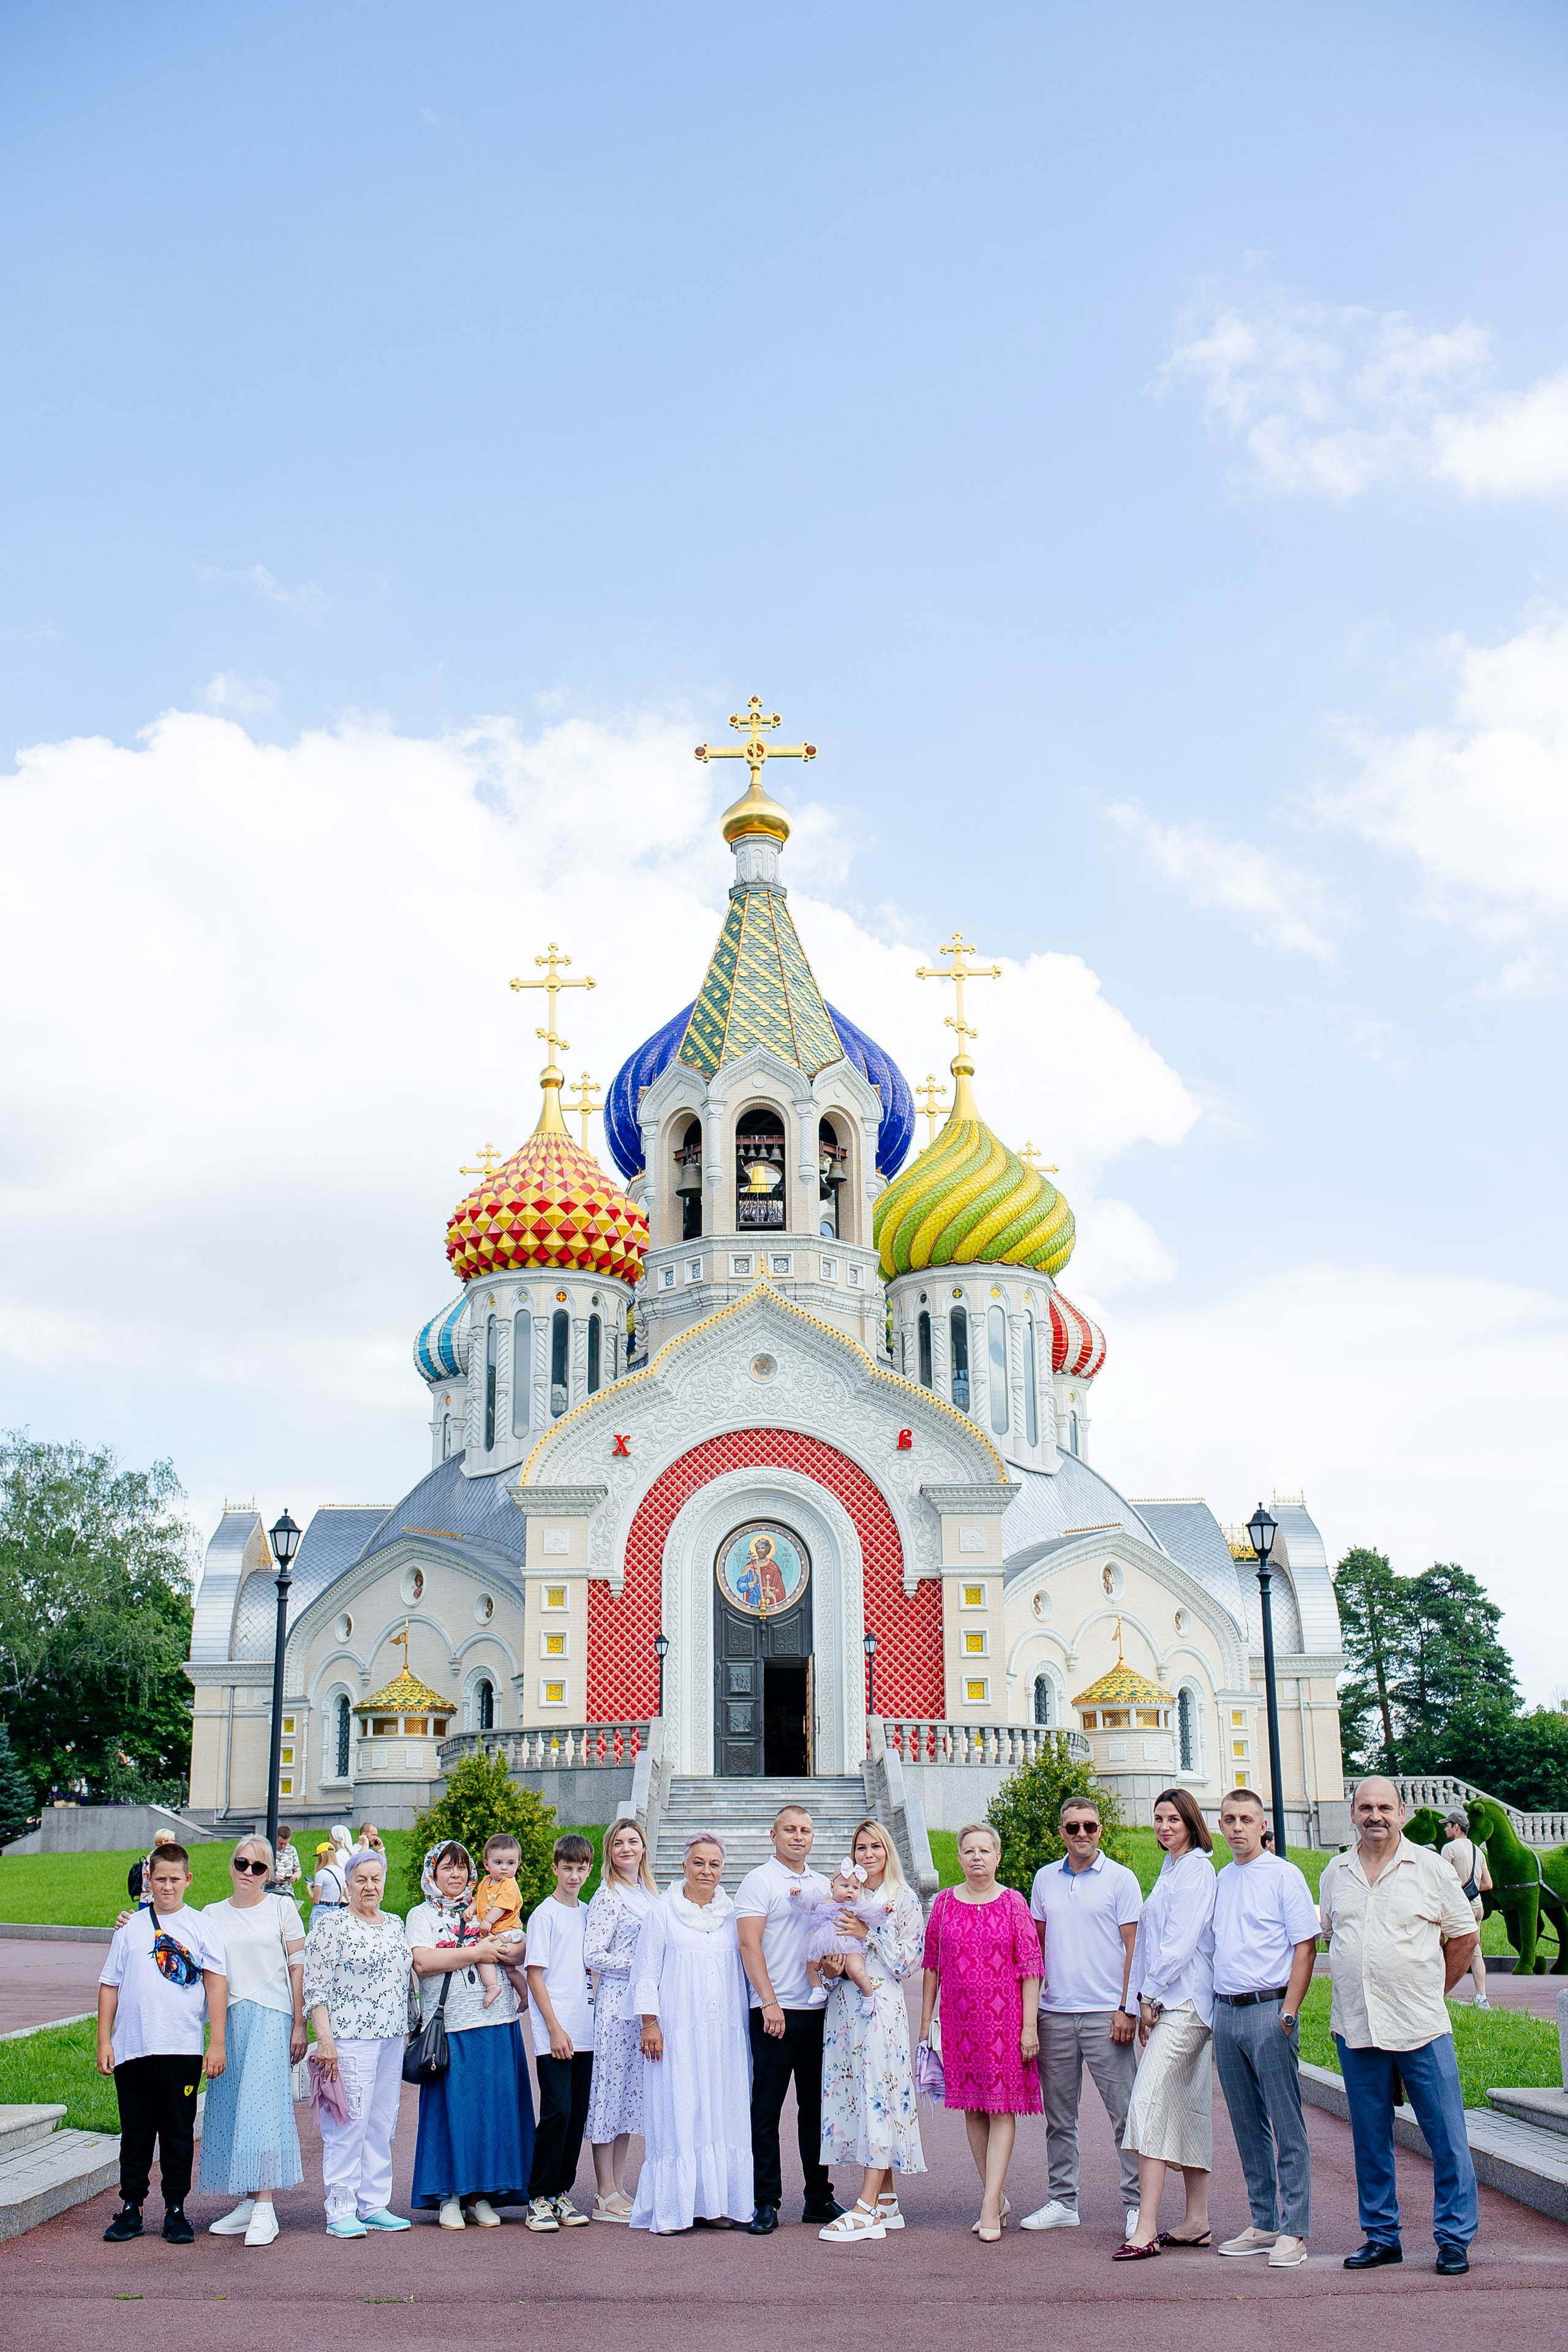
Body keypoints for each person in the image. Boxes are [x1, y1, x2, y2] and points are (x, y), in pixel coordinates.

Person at [1319, 1776, 1480, 2276]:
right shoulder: (1334, 1872)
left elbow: (1464, 1936)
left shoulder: (1430, 1868)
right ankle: (1382, 2236)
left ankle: (1454, 2239)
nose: (1375, 1816)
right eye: (1366, 1807)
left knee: (1446, 2136)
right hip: (1357, 2027)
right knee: (1370, 2137)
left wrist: (1431, 1992)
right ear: (1352, 1813)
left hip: (1420, 2026)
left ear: (1403, 1812)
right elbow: (1332, 1936)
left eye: (1385, 1807)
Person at [1020, 1793, 1143, 2240]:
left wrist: (1127, 2007)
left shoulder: (1121, 1879)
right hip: (1055, 2014)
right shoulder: (1045, 1880)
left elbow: (1135, 1949)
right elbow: (1037, 1947)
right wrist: (1031, 2014)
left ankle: (1136, 2205)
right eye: (1073, 1827)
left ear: (1100, 1830)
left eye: (1090, 1826)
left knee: (1126, 2116)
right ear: (1062, 1833)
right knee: (1059, 2117)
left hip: (1106, 2015)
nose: (1082, 1835)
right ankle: (1063, 2200)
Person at [1207, 1790, 1321, 2268]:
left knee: (1285, 2122)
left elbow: (1306, 1946)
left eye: (1246, 1819)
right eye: (1230, 1819)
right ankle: (1264, 2221)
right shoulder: (1222, 1878)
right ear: (1220, 1823)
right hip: (1227, 2012)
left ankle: (1294, 2230)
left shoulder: (1284, 1874)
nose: (1237, 1828)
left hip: (1270, 2010)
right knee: (1247, 2126)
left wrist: (1289, 2012)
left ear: (1262, 1825)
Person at [96, 1842, 228, 2245]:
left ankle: (175, 2210)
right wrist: (105, 2040)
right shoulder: (130, 1930)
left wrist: (217, 2042)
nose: (167, 1886)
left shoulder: (201, 1926)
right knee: (135, 2132)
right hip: (133, 2048)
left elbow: (216, 1982)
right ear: (148, 1882)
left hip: (182, 2048)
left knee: (176, 2131)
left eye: (175, 1879)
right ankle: (132, 2209)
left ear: (188, 1880)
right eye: (160, 1879)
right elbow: (109, 1985)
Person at [919, 1822, 1042, 2242]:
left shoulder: (1013, 1903)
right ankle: (997, 2195)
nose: (976, 1857)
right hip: (959, 2023)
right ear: (958, 1858)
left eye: (984, 1851)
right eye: (969, 1851)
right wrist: (925, 2024)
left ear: (997, 1856)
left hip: (1006, 2025)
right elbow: (931, 1966)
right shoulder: (943, 1904)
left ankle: (990, 2204)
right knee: (973, 2108)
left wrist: (1028, 2028)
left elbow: (1030, 1969)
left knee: (1001, 2108)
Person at [407, 1839, 537, 2230]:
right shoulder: (421, 1914)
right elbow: (424, 1961)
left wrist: (502, 1949)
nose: (455, 1875)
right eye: (446, 1868)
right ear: (432, 1873)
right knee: (453, 2112)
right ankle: (449, 2194)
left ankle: (481, 2194)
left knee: (492, 2110)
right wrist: (478, 1952)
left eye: (461, 1868)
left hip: (496, 2020)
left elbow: (517, 1950)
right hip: (451, 2027)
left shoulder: (488, 1904)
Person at [629, 1832, 754, 2233]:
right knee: (680, 2112)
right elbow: (645, 1972)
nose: (706, 1870)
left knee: (721, 2112)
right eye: (699, 1862)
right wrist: (650, 2023)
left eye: (714, 1864)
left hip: (724, 2035)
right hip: (677, 2032)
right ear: (684, 1865)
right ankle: (673, 2210)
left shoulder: (733, 1913)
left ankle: (717, 2203)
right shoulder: (663, 1912)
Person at [1115, 1787, 1218, 2260]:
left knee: (1149, 2103)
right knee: (1188, 2106)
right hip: (1170, 2002)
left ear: (1191, 1822)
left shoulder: (1196, 1869)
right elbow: (1150, 1943)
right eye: (1158, 1818)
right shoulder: (1171, 1868)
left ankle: (1147, 2228)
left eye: (1173, 1818)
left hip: (1187, 2003)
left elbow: (1178, 1945)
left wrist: (1151, 1996)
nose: (1164, 1826)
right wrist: (1140, 2001)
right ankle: (1197, 2221)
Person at [816, 1818, 925, 2242]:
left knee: (879, 2094)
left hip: (880, 2006)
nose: (868, 1855)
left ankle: (864, 2207)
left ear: (888, 1852)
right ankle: (886, 2201)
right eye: (861, 1848)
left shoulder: (903, 1899)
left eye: (875, 1847)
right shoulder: (846, 1894)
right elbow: (832, 1951)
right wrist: (828, 1969)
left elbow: (907, 1964)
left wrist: (871, 1932)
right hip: (843, 2009)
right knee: (858, 2095)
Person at [736, 1804, 842, 2235]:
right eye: (790, 1830)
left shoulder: (822, 1884)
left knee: (815, 2110)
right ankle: (765, 2201)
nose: (798, 1837)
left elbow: (830, 1944)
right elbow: (749, 1945)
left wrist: (835, 1966)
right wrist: (769, 2002)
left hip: (817, 2012)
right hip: (775, 2013)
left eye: (806, 1831)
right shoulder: (759, 1881)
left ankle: (818, 2197)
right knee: (766, 2110)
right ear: (773, 1835)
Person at [198, 1836, 307, 2245]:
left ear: (270, 1874)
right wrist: (131, 1919)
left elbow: (298, 1967)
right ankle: (247, 2199)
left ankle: (265, 2205)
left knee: (262, 2107)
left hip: (272, 2014)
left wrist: (300, 2024)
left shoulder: (282, 1908)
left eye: (258, 1867)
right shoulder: (211, 1914)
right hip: (229, 2017)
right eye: (242, 1863)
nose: (248, 1872)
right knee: (231, 2105)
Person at [303, 1847, 413, 2238]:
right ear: (347, 1885)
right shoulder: (332, 1925)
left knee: (382, 2122)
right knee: (348, 2122)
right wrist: (325, 2040)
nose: (369, 1886)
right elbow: (314, 1986)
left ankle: (374, 2204)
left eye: (375, 1879)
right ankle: (340, 2208)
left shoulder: (395, 1923)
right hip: (349, 2038)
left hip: (391, 2036)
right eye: (361, 1880)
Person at [584, 1817, 658, 2221]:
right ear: (610, 1852)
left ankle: (620, 2185)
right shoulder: (609, 1896)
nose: (627, 1849)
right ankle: (603, 2191)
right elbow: (593, 1954)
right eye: (618, 1844)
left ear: (644, 1848)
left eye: (633, 1841)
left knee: (629, 2098)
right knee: (608, 2094)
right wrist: (637, 1964)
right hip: (615, 2006)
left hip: (639, 2008)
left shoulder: (648, 1893)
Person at [524, 1832, 597, 2231]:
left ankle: (560, 2193)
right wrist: (554, 2028)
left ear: (589, 1869)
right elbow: (536, 1975)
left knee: (577, 2116)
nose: (574, 1875)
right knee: (557, 2112)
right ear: (555, 1868)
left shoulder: (587, 1912)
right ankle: (538, 2196)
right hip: (556, 2030)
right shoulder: (545, 1915)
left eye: (580, 1868)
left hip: (586, 2030)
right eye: (567, 1868)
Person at [799, 1858, 884, 2014]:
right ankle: (818, 1989)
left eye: (855, 1888)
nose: (850, 1891)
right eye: (845, 1886)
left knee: (857, 1970)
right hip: (826, 1945)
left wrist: (884, 1911)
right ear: (832, 1887)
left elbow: (872, 1912)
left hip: (851, 1947)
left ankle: (869, 1996)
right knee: (811, 1963)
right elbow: (808, 1904)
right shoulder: (823, 1901)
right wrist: (798, 1897)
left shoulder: (856, 1906)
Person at [1440, 1812, 1491, 2009]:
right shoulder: (1479, 1851)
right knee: (1475, 1949)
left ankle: (1438, 1992)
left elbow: (1442, 1881)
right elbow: (1488, 1883)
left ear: (1456, 1827)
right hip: (1477, 1904)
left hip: (1458, 1906)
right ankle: (1482, 1997)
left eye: (1447, 1825)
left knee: (1439, 1942)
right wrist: (1471, 1887)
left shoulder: (1449, 1849)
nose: (1445, 1829)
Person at [472, 1833, 529, 2008]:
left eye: (510, 1863)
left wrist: (488, 1920)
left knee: (483, 1952)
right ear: (487, 1865)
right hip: (499, 1932)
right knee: (510, 1970)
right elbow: (479, 1899)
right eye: (499, 1863)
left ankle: (492, 1986)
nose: (505, 1868)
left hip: (509, 1931)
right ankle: (525, 1996)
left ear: (518, 1864)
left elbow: (502, 1906)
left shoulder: (510, 1884)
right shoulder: (486, 1882)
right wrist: (470, 1908)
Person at [126, 1826, 179, 1908]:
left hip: (151, 1898)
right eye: (172, 1840)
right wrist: (152, 1883)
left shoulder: (158, 1855)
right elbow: (149, 1870)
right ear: (165, 1842)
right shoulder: (157, 1855)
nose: (174, 1843)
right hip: (150, 1899)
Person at [273, 1824, 303, 1907]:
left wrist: (295, 1877)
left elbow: (298, 1870)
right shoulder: (268, 1848)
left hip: (287, 1891)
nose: (283, 1846)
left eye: (286, 1844)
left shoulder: (291, 1850)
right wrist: (274, 1877)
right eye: (281, 1843)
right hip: (271, 1891)